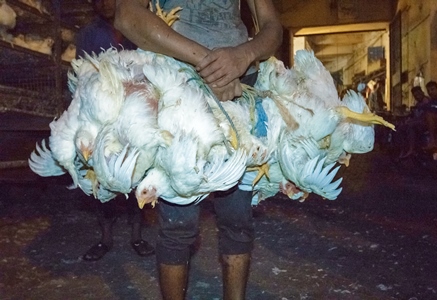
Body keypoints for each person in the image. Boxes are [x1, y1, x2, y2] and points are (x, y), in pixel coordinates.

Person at [114, 0, 282, 299]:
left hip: (239, 88)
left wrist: (245, 54)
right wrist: (212, 65)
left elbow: (271, 26)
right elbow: (127, 15)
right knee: (179, 223)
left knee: (237, 219)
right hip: (177, 83)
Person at [76, 0, 154, 261]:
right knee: (100, 176)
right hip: (102, 112)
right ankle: (105, 238)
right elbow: (82, 76)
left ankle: (136, 236)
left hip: (134, 112)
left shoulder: (139, 27)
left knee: (136, 173)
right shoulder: (88, 35)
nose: (106, 2)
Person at [398, 86, 430, 158]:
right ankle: (403, 149)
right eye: (415, 95)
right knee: (402, 127)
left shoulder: (426, 101)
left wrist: (412, 121)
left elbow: (424, 116)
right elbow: (414, 114)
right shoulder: (418, 104)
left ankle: (411, 149)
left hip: (425, 124)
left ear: (422, 92)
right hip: (419, 122)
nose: (417, 96)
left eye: (419, 94)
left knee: (410, 126)